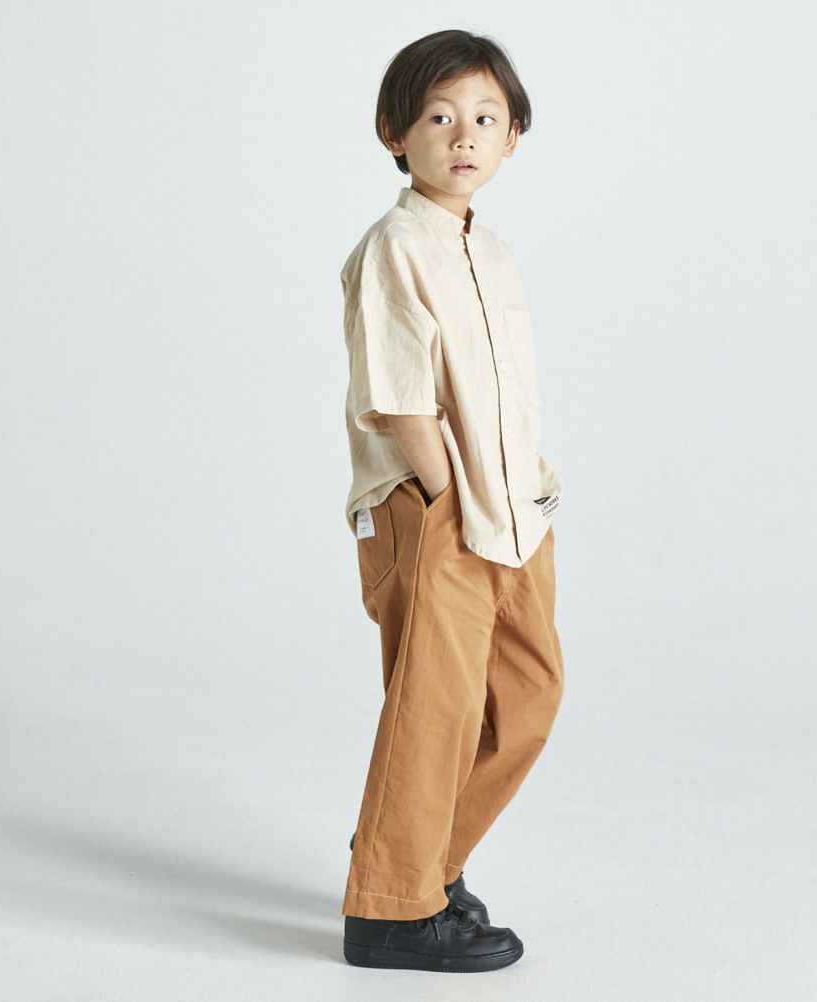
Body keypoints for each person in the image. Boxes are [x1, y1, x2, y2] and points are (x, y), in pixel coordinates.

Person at [338, 28, 566, 974]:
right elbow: (399, 400)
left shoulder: (495, 252)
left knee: (527, 699)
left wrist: (527, 496)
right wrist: (448, 507)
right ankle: (391, 911)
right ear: (394, 133)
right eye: (437, 117)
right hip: (435, 506)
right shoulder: (395, 247)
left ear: (513, 136)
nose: (462, 135)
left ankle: (418, 865)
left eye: (483, 117)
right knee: (433, 709)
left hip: (515, 511)